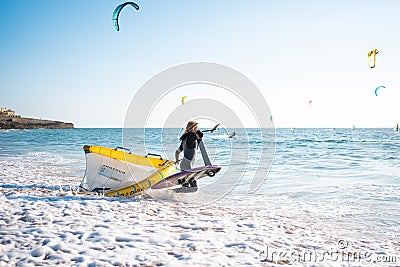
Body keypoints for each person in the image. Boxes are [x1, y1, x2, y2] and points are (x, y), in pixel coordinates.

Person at [175, 120, 203, 187]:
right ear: (193, 127)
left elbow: (177, 152)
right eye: (197, 127)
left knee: (185, 186)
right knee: (194, 186)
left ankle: (178, 196)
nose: (198, 128)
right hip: (187, 165)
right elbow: (200, 135)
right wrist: (196, 131)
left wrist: (177, 160)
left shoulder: (185, 138)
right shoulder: (191, 136)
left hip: (184, 164)